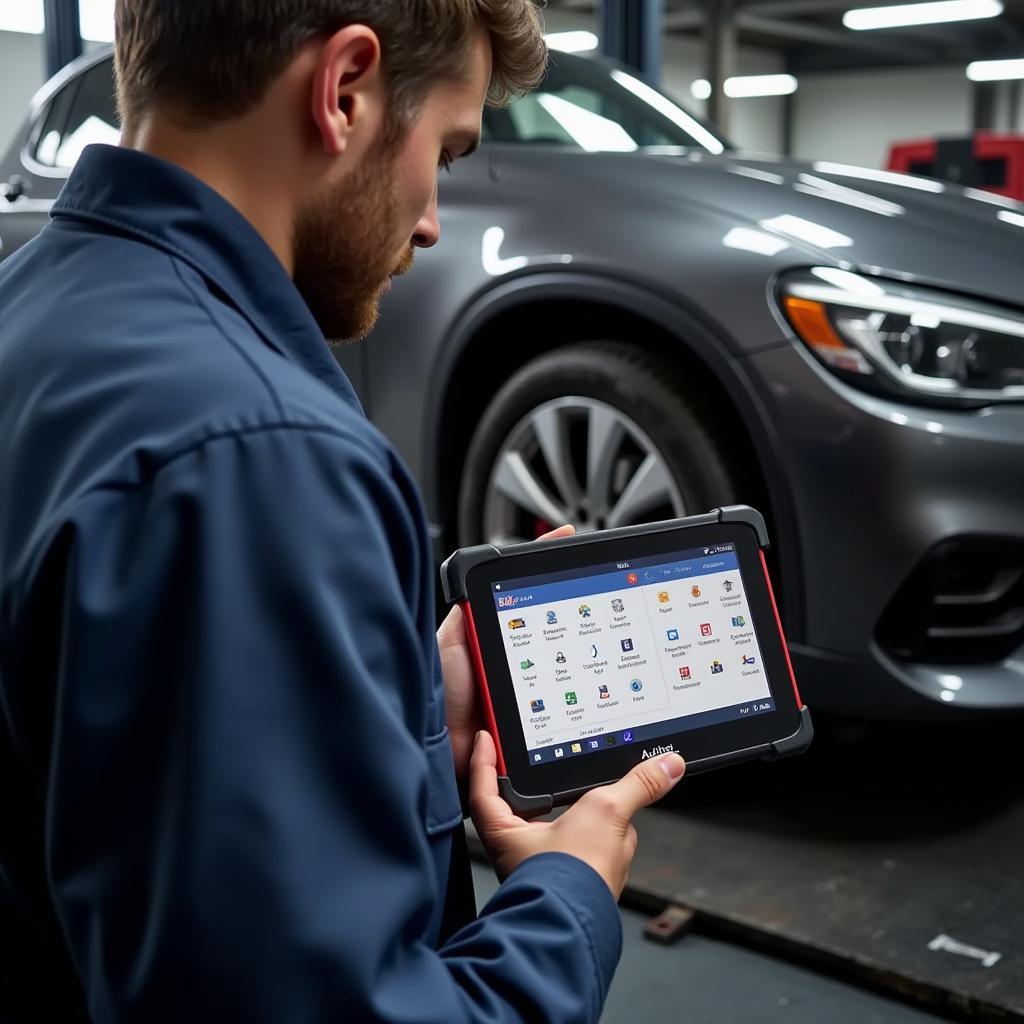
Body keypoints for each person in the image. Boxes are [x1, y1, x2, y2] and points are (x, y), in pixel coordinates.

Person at [0, 2, 686, 1021]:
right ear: (346, 89)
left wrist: (402, 697)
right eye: (445, 153)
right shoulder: (261, 454)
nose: (428, 220)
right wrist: (567, 891)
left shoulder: (31, 310)